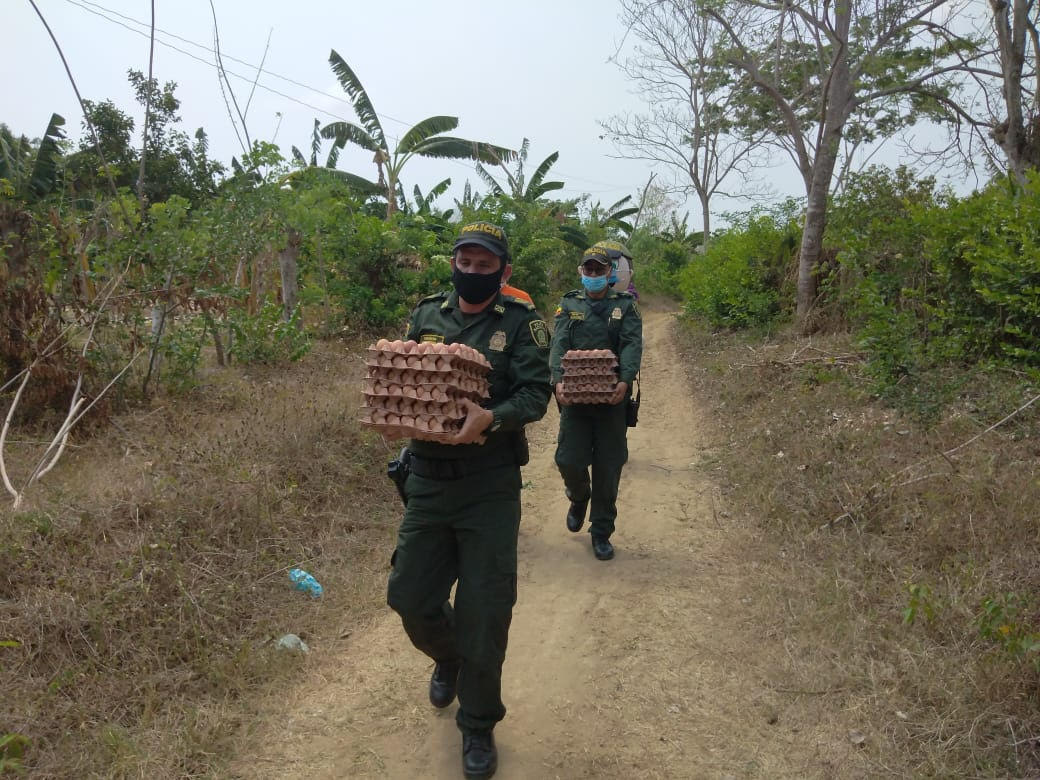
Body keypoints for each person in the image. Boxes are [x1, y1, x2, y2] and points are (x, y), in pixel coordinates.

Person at [386, 221, 552, 779]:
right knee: (409, 595)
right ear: (454, 263)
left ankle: (478, 724)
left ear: (503, 272)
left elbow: (534, 394)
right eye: (466, 262)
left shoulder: (523, 324)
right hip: (428, 482)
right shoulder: (427, 314)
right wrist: (397, 414)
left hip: (488, 486)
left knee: (485, 612)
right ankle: (448, 655)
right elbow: (406, 374)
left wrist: (494, 418)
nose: (473, 272)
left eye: (486, 266)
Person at [550, 245, 643, 561]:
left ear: (609, 273)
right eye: (587, 270)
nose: (593, 275)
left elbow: (631, 344)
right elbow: (559, 344)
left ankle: (601, 531)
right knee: (568, 459)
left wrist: (625, 378)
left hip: (611, 401)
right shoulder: (569, 305)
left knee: (608, 467)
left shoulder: (625, 306)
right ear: (581, 272)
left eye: (599, 270)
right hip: (576, 401)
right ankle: (579, 495)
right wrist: (557, 380)